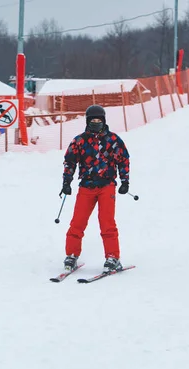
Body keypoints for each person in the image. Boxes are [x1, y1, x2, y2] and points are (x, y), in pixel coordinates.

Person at [60, 104, 130, 273]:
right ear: (87, 121)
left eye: (99, 120)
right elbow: (70, 161)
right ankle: (71, 255)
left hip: (106, 186)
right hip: (87, 186)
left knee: (107, 223)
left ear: (104, 121)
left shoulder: (113, 140)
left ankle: (112, 257)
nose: (96, 123)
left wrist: (125, 181)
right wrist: (66, 181)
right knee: (77, 222)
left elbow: (123, 160)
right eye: (93, 120)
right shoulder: (80, 141)